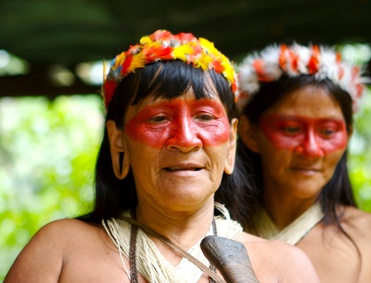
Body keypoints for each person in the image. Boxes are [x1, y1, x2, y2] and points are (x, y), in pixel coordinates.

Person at [5, 30, 320, 283]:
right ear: (119, 141)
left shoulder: (285, 268)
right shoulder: (60, 251)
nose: (184, 140)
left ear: (231, 142)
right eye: (158, 118)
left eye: (205, 117)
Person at [235, 43, 371, 282]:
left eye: (328, 132)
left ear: (348, 135)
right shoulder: (208, 232)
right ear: (250, 133)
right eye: (291, 129)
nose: (311, 150)